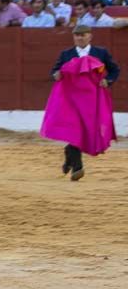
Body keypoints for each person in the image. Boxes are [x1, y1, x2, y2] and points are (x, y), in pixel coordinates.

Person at [46, 25, 119, 181]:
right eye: (76, 35)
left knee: (87, 129)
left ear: (90, 36)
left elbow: (114, 70)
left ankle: (69, 154)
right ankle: (77, 167)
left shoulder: (101, 53)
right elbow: (55, 71)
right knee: (75, 128)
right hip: (71, 99)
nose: (79, 37)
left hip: (92, 99)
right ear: (73, 37)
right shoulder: (66, 54)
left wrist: (108, 80)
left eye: (83, 34)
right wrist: (56, 75)